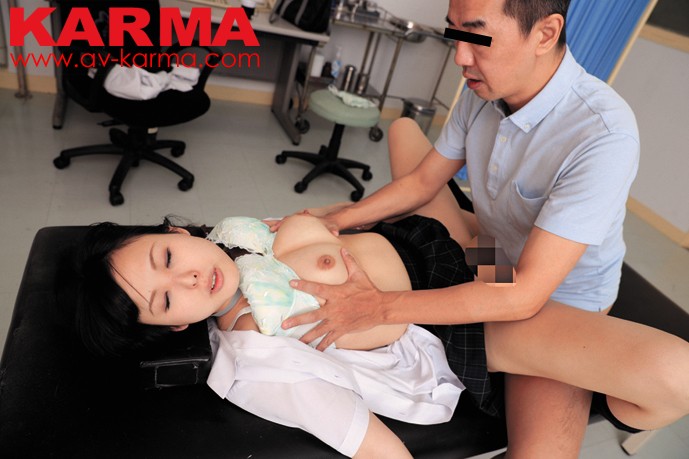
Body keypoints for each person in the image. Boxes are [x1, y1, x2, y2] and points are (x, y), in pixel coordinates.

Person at [269, 0, 659, 456]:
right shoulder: (485, 92)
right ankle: (468, 231)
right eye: (454, 32)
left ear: (545, 34)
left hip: (554, 300)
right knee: (405, 135)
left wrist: (378, 307)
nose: (459, 56)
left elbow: (523, 296)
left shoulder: (603, 134)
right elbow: (422, 182)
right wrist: (338, 219)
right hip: (491, 252)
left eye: (476, 36)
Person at [72, 208, 689, 458]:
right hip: (464, 318)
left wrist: (332, 223)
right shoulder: (255, 349)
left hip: (440, 242)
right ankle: (630, 415)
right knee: (676, 376)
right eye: (165, 300)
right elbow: (376, 449)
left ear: (175, 232)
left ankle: (539, 284)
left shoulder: (239, 238)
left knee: (415, 144)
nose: (186, 278)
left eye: (165, 257)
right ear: (176, 324)